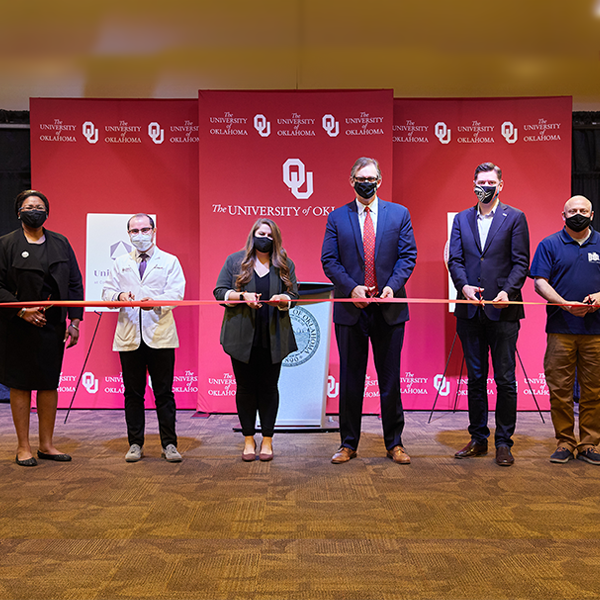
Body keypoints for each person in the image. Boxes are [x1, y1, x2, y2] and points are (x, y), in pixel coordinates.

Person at [321, 157, 417, 464]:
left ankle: (395, 444)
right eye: (361, 178)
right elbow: (329, 260)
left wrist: (392, 286)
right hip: (352, 310)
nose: (367, 182)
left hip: (388, 308)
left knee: (390, 380)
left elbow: (407, 256)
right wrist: (352, 288)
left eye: (372, 178)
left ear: (379, 181)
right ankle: (348, 443)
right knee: (351, 380)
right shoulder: (337, 218)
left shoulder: (399, 214)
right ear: (351, 181)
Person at [448, 162, 530, 466]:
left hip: (504, 311)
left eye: (490, 182)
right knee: (476, 378)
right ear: (473, 184)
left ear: (500, 185)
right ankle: (478, 438)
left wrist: (507, 292)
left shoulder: (516, 218)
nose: (485, 186)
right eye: (480, 181)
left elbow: (521, 262)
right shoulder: (461, 219)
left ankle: (504, 442)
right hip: (470, 311)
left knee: (506, 379)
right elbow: (455, 259)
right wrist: (463, 286)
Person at [0, 190, 83, 466]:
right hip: (17, 326)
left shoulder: (61, 243)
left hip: (52, 325)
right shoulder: (6, 244)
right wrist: (21, 310)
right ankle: (23, 447)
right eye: (28, 206)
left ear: (47, 212)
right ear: (18, 212)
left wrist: (74, 320)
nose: (34, 210)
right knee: (20, 385)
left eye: (39, 206)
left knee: (49, 384)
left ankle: (46, 444)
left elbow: (74, 283)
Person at [102, 213, 185, 463]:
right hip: (129, 336)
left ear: (154, 230)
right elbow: (107, 292)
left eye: (144, 229)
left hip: (160, 336)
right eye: (134, 231)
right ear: (128, 234)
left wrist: (156, 304)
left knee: (164, 393)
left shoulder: (169, 261)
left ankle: (169, 444)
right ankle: (135, 443)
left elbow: (177, 293)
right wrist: (119, 297)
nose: (140, 235)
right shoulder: (120, 262)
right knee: (133, 393)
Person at [214, 218, 298, 462]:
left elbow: (294, 294)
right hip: (241, 338)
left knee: (270, 389)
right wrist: (240, 295)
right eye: (261, 233)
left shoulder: (284, 263)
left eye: (270, 236)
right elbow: (219, 292)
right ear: (253, 235)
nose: (265, 239)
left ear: (276, 239)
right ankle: (249, 439)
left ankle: (268, 439)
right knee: (246, 388)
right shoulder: (234, 261)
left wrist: (285, 299)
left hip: (274, 336)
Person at [531, 195, 600, 465]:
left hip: (596, 332)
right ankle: (564, 441)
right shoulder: (549, 244)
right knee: (559, 389)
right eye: (572, 211)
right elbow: (539, 282)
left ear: (592, 215)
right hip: (561, 329)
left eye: (583, 210)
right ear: (563, 215)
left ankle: (589, 443)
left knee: (594, 390)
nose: (578, 214)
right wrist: (564, 304)